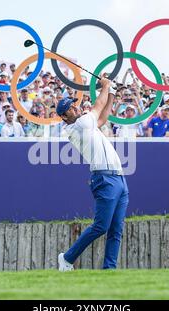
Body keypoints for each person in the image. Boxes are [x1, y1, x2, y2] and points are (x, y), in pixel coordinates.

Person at [56, 75, 128, 271]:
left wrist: (111, 92)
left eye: (74, 105)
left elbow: (103, 117)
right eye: (70, 108)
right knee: (101, 226)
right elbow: (98, 105)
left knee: (116, 230)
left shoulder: (86, 124)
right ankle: (67, 258)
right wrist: (105, 86)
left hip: (119, 178)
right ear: (64, 116)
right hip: (104, 178)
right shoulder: (78, 125)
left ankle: (109, 270)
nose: (75, 108)